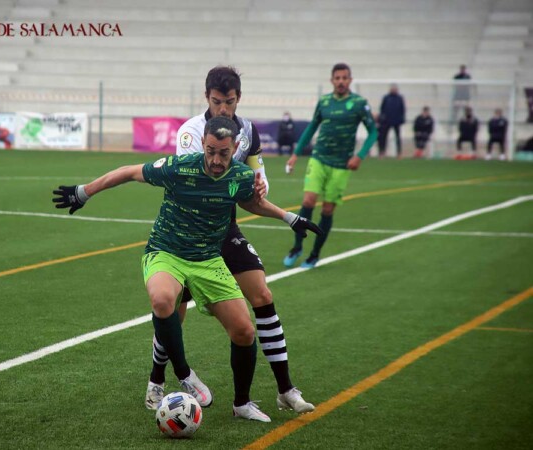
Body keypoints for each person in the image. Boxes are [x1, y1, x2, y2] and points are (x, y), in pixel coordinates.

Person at [52, 116, 321, 422]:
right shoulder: (179, 167)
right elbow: (129, 172)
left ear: (235, 148)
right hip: (166, 252)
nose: (216, 160)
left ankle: (242, 404)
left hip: (207, 259)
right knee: (162, 300)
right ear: (202, 143)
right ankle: (184, 374)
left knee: (245, 331)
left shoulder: (242, 175)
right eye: (210, 151)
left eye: (223, 153)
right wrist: (84, 192)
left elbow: (250, 202)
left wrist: (289, 218)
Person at [148, 66, 317, 416]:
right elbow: (196, 181)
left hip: (225, 227)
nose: (222, 108)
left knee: (263, 296)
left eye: (229, 101)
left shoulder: (248, 130)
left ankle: (285, 390)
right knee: (173, 310)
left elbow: (256, 174)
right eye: (216, 101)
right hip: (190, 235)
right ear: (206, 98)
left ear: (238, 98)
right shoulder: (192, 132)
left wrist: (260, 185)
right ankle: (157, 379)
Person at [283, 63, 377, 268]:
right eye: (337, 78)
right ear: (332, 80)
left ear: (350, 80)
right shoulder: (324, 102)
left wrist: (360, 156)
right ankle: (297, 246)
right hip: (319, 158)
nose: (341, 81)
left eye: (344, 78)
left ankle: (314, 254)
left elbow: (373, 132)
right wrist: (295, 154)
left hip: (342, 165)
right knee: (308, 200)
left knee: (327, 209)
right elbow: (312, 127)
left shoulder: (359, 103)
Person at [377, 84, 405, 158]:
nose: (393, 90)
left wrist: (402, 119)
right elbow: (382, 109)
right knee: (383, 137)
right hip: (386, 121)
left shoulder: (399, 98)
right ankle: (382, 152)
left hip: (396, 121)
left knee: (397, 138)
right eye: (392, 89)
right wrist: (382, 118)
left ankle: (399, 153)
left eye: (395, 89)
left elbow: (402, 109)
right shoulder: (386, 98)